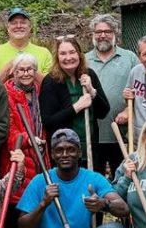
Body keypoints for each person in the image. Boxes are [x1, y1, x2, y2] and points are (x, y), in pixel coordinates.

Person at [1, 53, 46, 228]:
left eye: (30, 69)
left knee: (37, 200)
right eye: (21, 70)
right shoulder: (7, 95)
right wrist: (27, 140)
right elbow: (8, 129)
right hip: (18, 155)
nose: (26, 74)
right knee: (14, 203)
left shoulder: (40, 93)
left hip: (40, 155)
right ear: (13, 72)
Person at [39, 38, 110, 168]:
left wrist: (92, 91)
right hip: (64, 152)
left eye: (72, 52)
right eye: (63, 54)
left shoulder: (89, 75)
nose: (68, 57)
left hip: (90, 148)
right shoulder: (51, 81)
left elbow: (103, 112)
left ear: (79, 54)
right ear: (57, 57)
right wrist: (77, 107)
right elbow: (48, 121)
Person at [86, 13, 138, 177]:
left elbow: (142, 90)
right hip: (94, 135)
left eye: (107, 31)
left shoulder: (129, 58)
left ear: (115, 33)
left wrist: (128, 111)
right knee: (96, 179)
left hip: (122, 135)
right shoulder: (83, 60)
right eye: (98, 32)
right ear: (93, 35)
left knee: (124, 179)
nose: (102, 35)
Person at [0, 7, 52, 76]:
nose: (18, 26)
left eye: (23, 22)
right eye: (14, 23)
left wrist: (29, 67)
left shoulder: (44, 53)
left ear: (30, 27)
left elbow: (48, 85)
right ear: (8, 28)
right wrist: (9, 67)